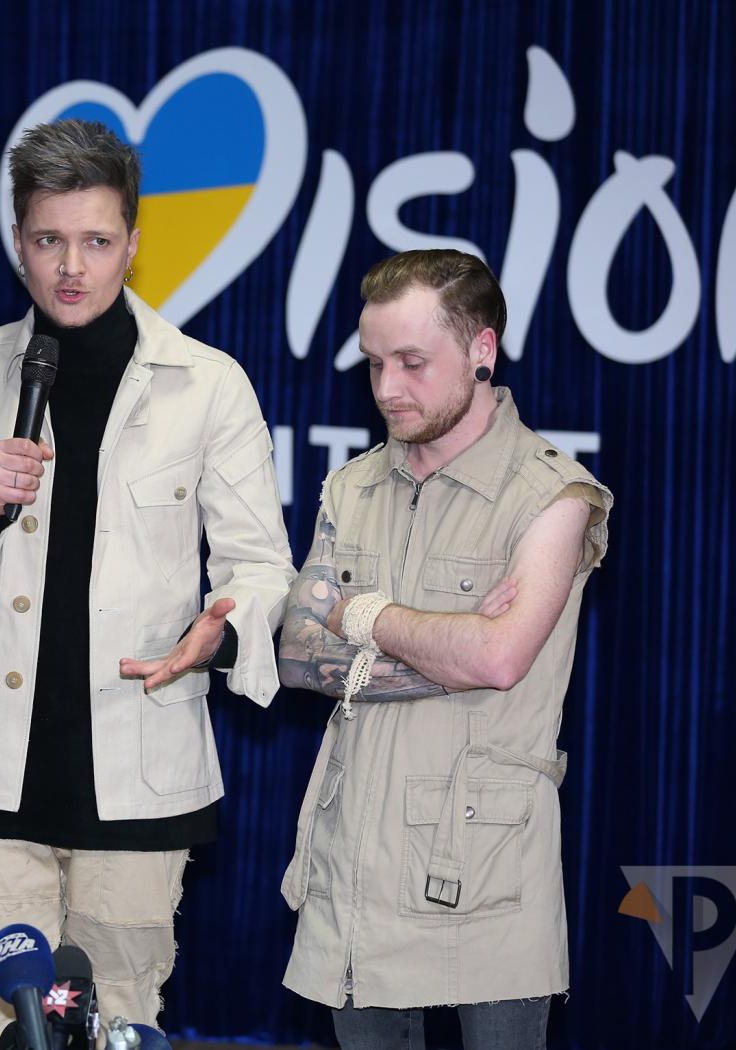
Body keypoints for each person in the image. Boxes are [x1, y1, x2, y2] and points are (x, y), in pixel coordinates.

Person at [0, 119, 295, 1043]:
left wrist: (222, 630)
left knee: (120, 1030)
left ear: (134, 243)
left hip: (139, 772)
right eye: (49, 240)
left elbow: (262, 565)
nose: (72, 267)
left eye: (97, 241)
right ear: (17, 241)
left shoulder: (208, 384)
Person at [277, 249, 612, 1050]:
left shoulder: (553, 494)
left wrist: (357, 613)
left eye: (412, 362)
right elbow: (296, 654)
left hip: (483, 874)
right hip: (353, 871)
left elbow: (496, 661)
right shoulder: (351, 485)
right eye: (374, 363)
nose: (387, 387)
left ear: (481, 350)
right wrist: (452, 649)